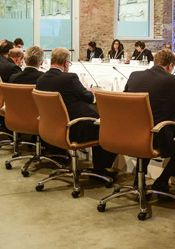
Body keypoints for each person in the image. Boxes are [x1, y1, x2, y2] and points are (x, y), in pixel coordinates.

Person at [36, 47, 117, 177]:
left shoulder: (41, 79)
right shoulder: (69, 78)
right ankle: (101, 170)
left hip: (52, 128)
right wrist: (90, 91)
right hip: (74, 129)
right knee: (109, 128)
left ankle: (100, 169)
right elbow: (89, 98)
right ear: (66, 62)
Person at [124, 50, 175, 192]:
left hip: (131, 134)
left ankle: (138, 180)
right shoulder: (174, 81)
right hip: (157, 136)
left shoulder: (134, 75)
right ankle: (162, 181)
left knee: (146, 128)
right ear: (170, 65)